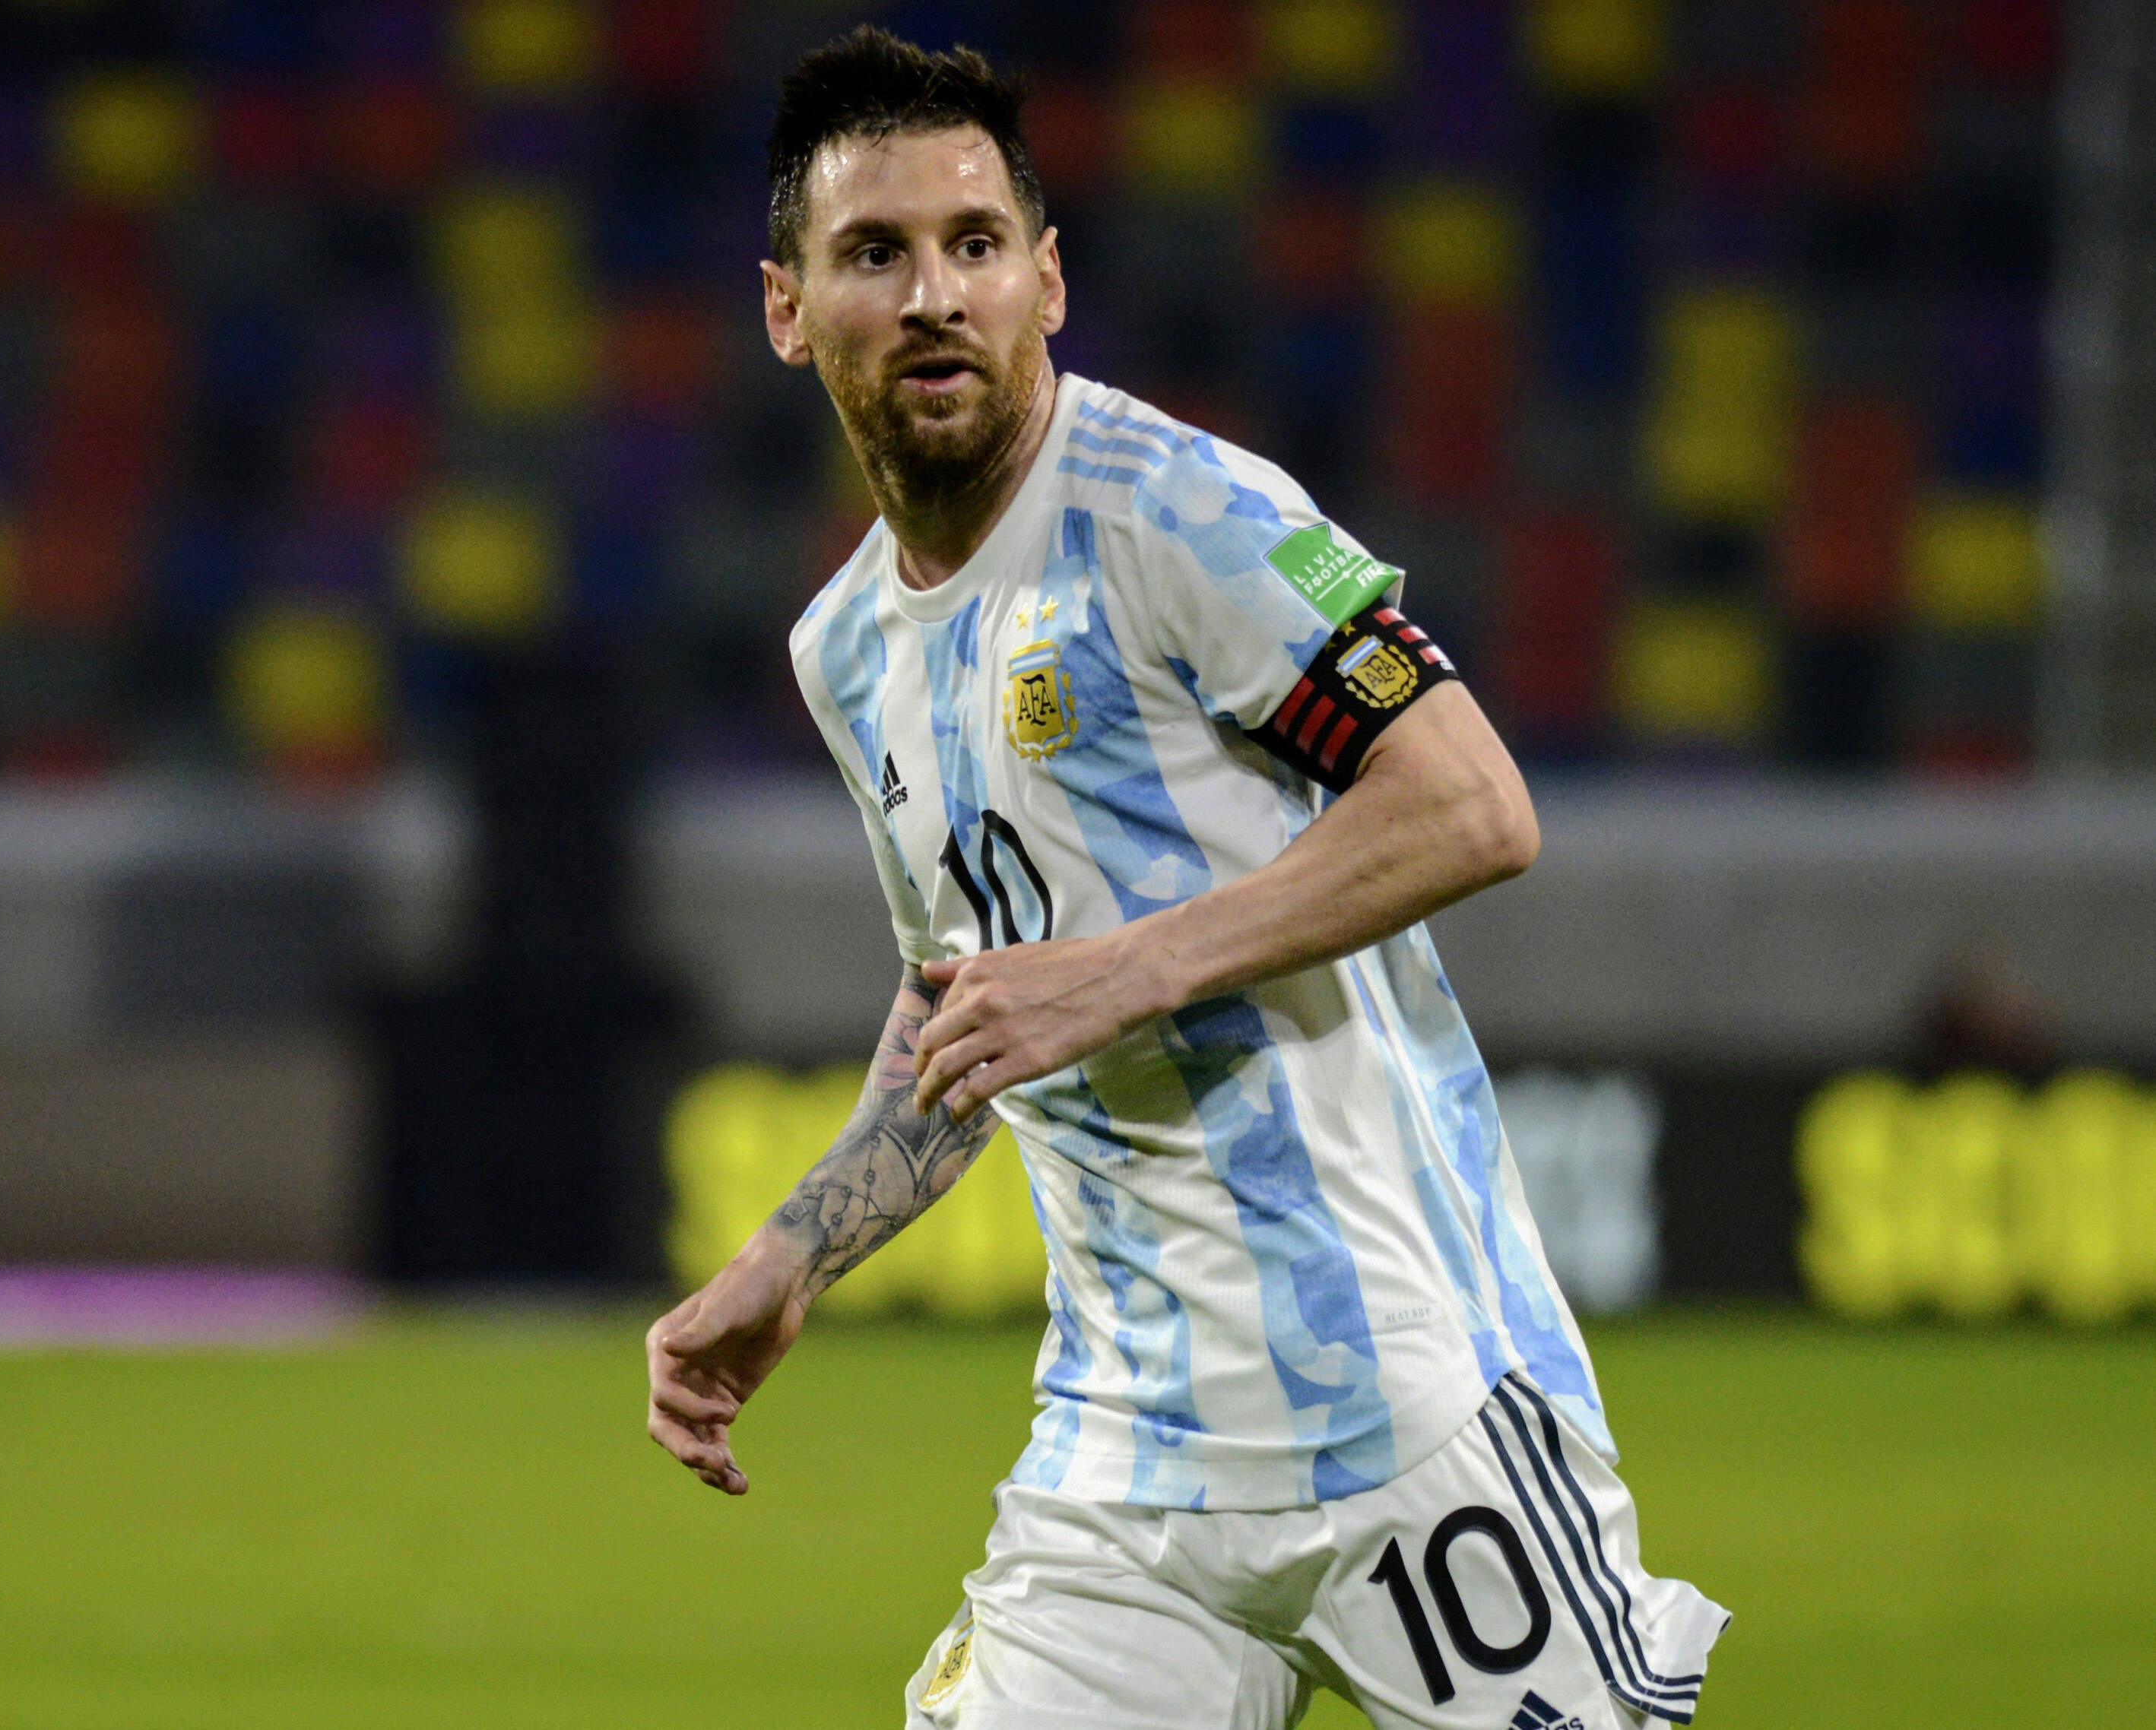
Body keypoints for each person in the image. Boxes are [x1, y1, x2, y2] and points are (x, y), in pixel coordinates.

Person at [646, 27, 1727, 1730]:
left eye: (975, 245)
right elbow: (971, 999)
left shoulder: (1183, 517)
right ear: (787, 309)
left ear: (1048, 283)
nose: (936, 294)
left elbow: (1471, 804)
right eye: (876, 253)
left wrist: (1132, 965)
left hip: (1408, 1414)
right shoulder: (846, 648)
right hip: (1129, 1471)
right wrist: (792, 1255)